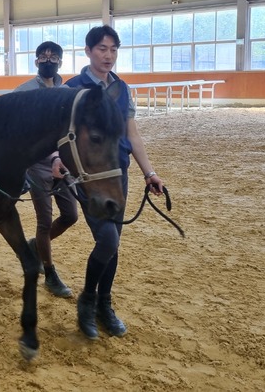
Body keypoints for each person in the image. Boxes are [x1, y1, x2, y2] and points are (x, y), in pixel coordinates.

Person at [65, 25, 165, 340]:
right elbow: (58, 137)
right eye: (102, 49)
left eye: (113, 50)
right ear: (88, 51)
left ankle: (103, 304)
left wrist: (149, 172)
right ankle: (88, 301)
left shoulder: (122, 89)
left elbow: (131, 133)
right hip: (88, 177)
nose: (108, 56)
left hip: (117, 173)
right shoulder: (72, 90)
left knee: (113, 243)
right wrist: (56, 163)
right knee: (108, 240)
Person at [14, 41, 78, 298]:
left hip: (62, 163)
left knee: (71, 215)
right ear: (36, 61)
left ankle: (35, 246)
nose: (47, 60)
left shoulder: (66, 90)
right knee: (44, 220)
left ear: (60, 61)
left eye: (53, 57)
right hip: (37, 163)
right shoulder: (24, 91)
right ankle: (50, 274)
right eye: (43, 56)